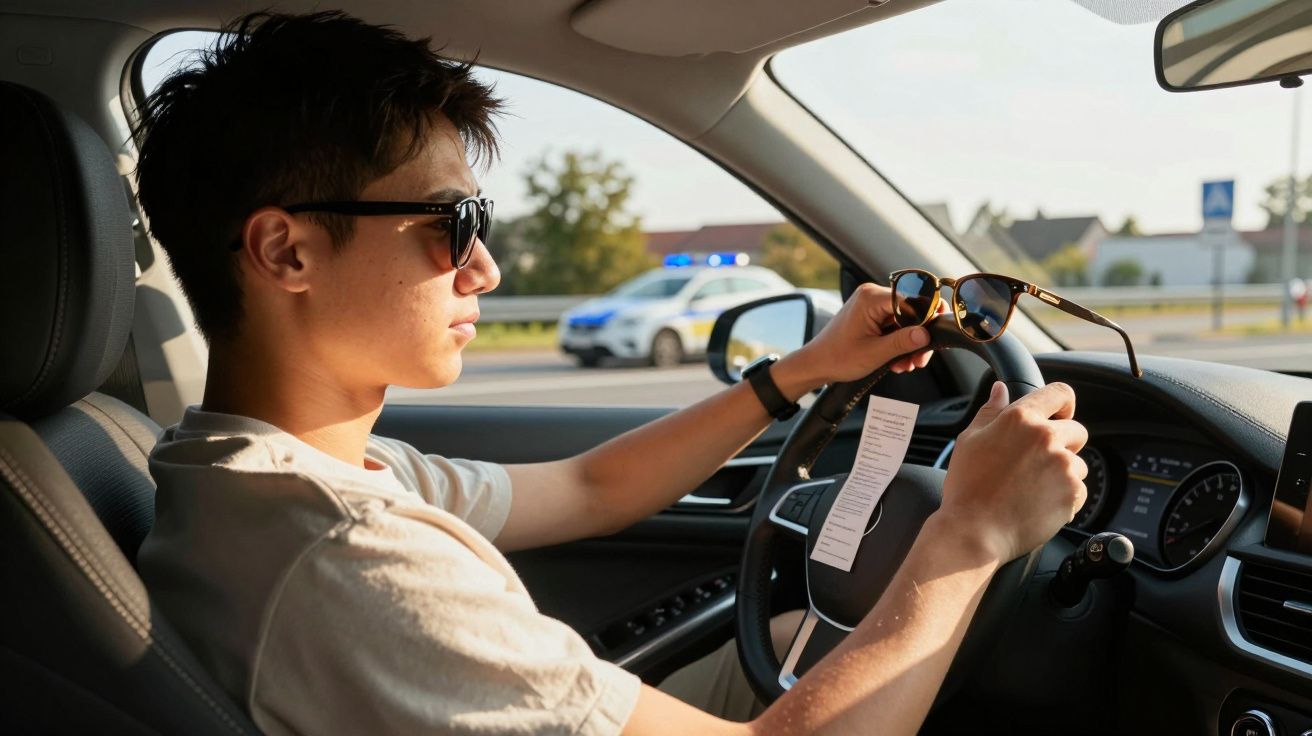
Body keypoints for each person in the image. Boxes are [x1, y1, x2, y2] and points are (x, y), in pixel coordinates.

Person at [132, 11, 1089, 735]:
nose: (486, 269)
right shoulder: (349, 558)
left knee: (814, 624)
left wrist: (802, 370)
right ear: (285, 254)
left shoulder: (262, 473)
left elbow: (593, 488)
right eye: (450, 225)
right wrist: (969, 535)